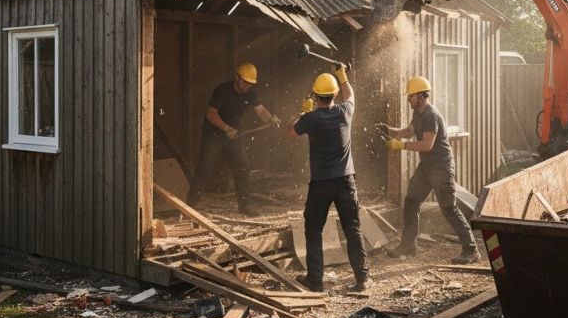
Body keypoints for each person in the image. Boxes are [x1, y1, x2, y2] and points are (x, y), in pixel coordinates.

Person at [377, 76, 481, 264]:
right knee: (411, 201)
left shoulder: (430, 115)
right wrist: (390, 130)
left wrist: (401, 147)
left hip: (441, 166)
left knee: (449, 208)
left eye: (411, 96)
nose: (408, 99)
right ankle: (409, 245)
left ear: (421, 96)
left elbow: (427, 145)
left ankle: (471, 250)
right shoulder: (418, 113)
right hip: (427, 167)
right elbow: (409, 131)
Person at [287, 64, 371, 293]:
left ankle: (315, 281)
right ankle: (362, 280)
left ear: (315, 96)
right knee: (352, 228)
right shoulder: (345, 112)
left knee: (314, 229)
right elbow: (350, 95)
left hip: (321, 184)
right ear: (334, 95)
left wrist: (303, 112)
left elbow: (291, 131)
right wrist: (342, 75)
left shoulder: (311, 119)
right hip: (345, 181)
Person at [187, 62, 281, 216]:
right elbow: (210, 114)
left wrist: (271, 120)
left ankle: (245, 206)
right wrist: (226, 128)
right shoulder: (222, 90)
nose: (246, 86)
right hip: (214, 135)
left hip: (233, 136)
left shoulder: (250, 93)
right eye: (245, 82)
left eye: (250, 83)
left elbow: (261, 110)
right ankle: (190, 206)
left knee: (243, 167)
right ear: (237, 77)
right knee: (205, 169)